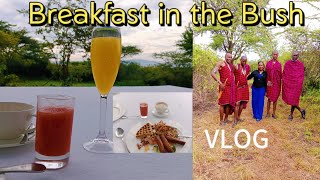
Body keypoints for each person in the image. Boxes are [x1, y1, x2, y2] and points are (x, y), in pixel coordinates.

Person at [211, 53, 236, 126]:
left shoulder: (230, 65)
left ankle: (226, 119)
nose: (230, 58)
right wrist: (220, 83)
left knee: (228, 103)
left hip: (230, 87)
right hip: (223, 87)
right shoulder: (221, 63)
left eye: (231, 57)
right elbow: (212, 73)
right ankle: (221, 121)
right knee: (222, 104)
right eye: (228, 57)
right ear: (225, 57)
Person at [282, 51, 306, 120]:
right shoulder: (287, 63)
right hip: (289, 84)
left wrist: (299, 83)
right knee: (291, 99)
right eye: (294, 55)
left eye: (296, 55)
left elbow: (301, 75)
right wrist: (285, 81)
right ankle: (301, 111)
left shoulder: (300, 64)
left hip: (296, 85)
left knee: (294, 100)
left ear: (298, 56)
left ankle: (291, 115)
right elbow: (285, 74)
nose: (295, 56)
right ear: (291, 55)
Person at [234, 56, 250, 126]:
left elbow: (247, 75)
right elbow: (231, 74)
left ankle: (238, 117)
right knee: (237, 103)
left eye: (245, 61)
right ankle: (235, 120)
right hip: (238, 87)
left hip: (245, 87)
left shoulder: (247, 67)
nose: (244, 62)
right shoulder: (236, 66)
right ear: (240, 60)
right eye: (243, 61)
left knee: (242, 103)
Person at [265, 50, 282, 119]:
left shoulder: (279, 64)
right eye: (274, 54)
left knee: (275, 99)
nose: (275, 55)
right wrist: (267, 82)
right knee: (269, 98)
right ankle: (267, 113)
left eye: (276, 54)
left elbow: (280, 74)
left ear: (277, 55)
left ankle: (274, 113)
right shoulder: (268, 63)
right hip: (269, 83)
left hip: (277, 84)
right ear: (272, 55)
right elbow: (266, 73)